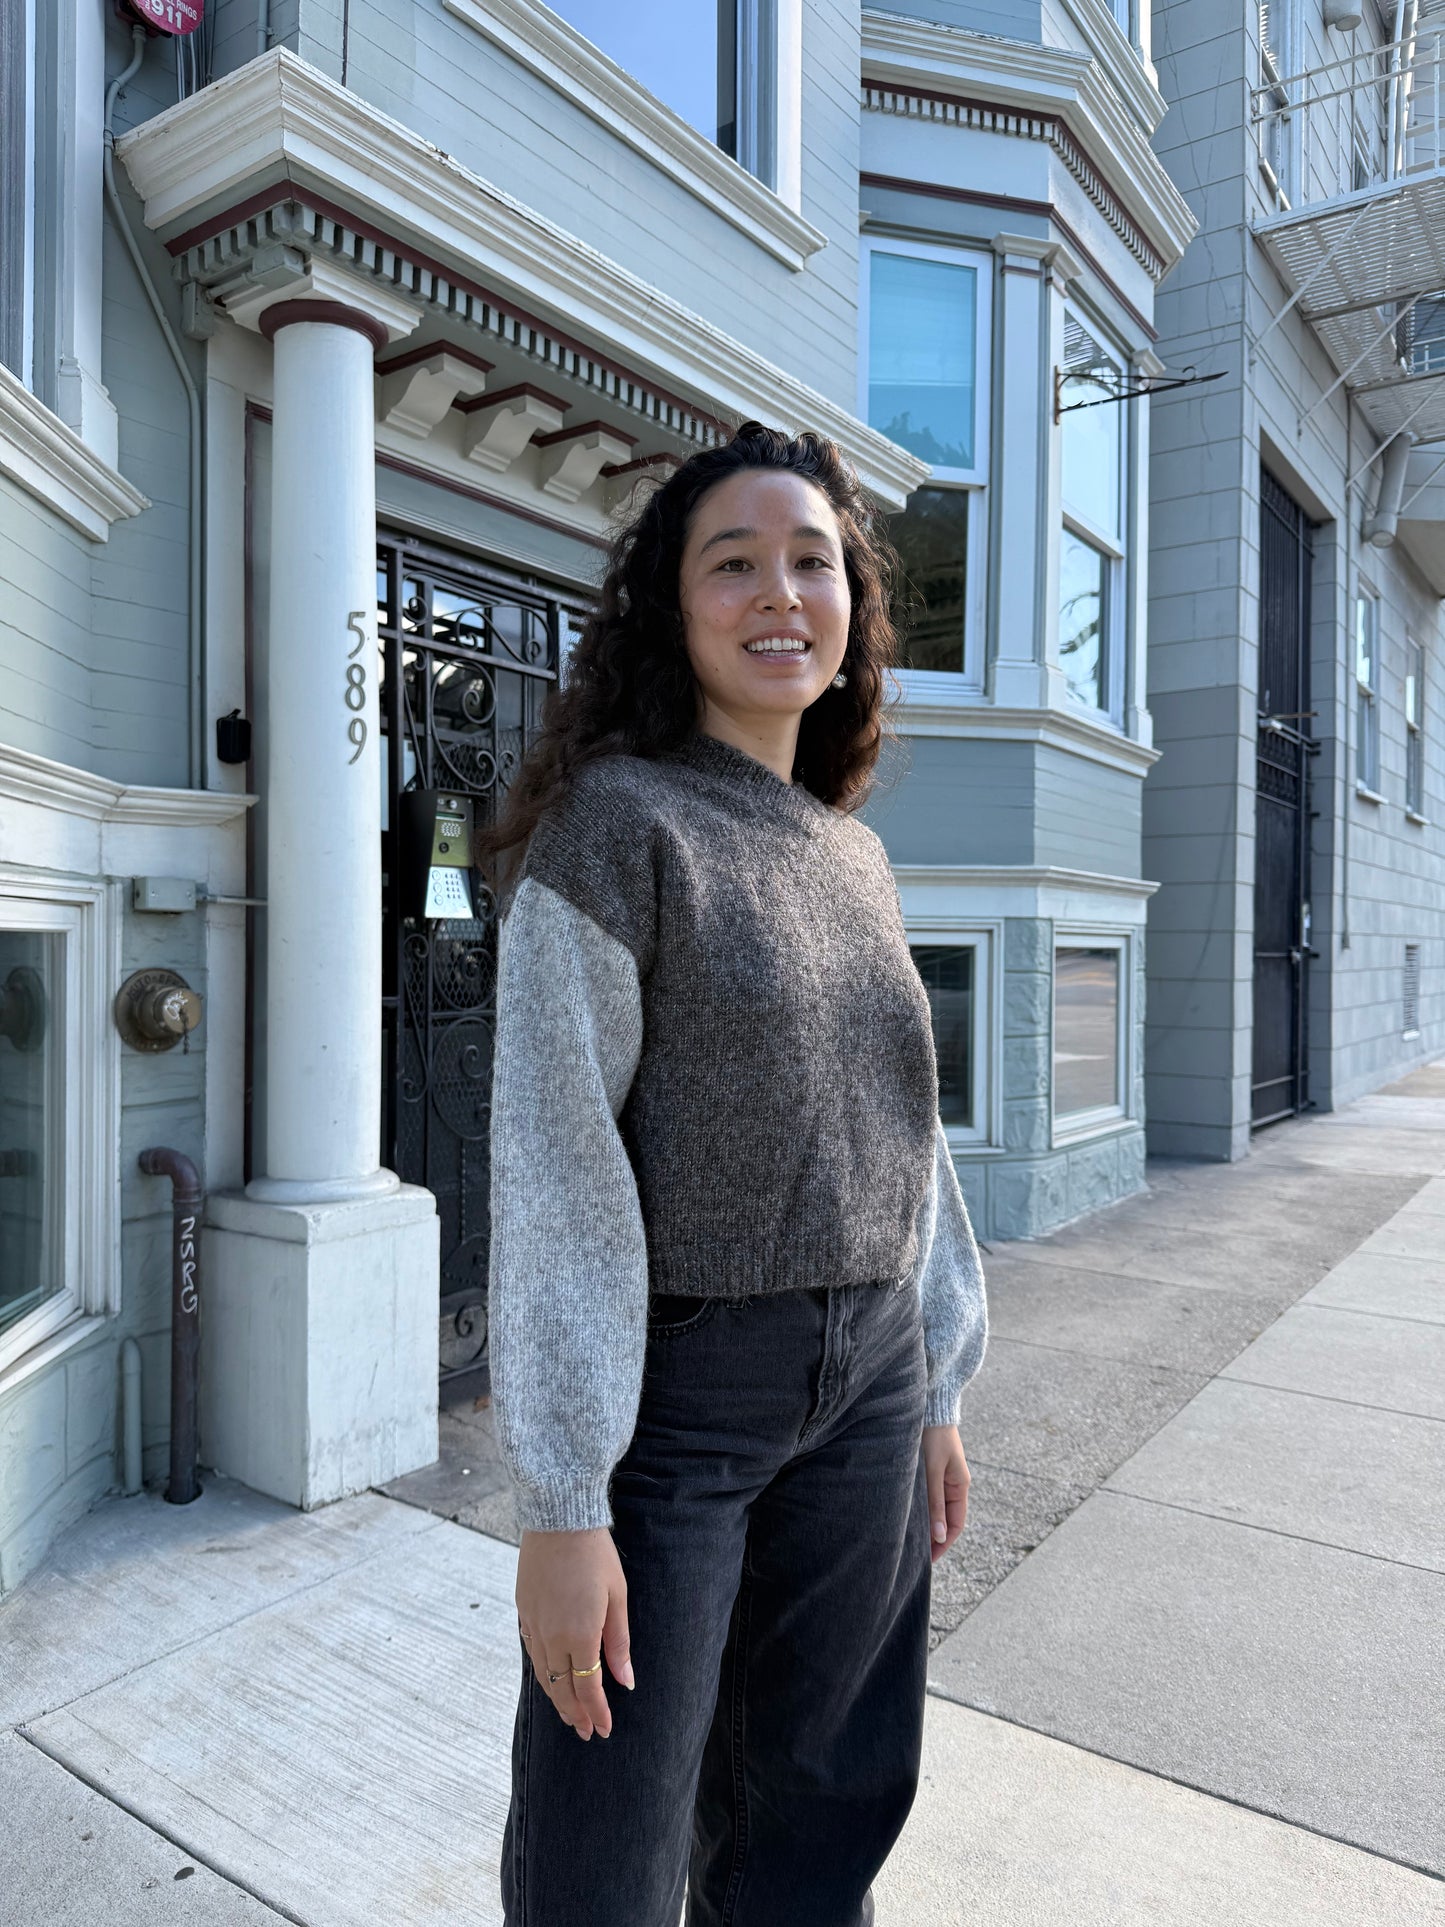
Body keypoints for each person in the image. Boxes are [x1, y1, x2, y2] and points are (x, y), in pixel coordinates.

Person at [478, 420, 988, 1927]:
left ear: (850, 612)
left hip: (874, 1380)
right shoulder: (618, 826)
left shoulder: (852, 855)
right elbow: (557, 1164)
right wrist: (563, 1500)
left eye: (811, 563)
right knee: (610, 1828)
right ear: (672, 608)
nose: (780, 593)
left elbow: (911, 1134)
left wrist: (938, 1383)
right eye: (734, 562)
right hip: (683, 1404)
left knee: (823, 1804)